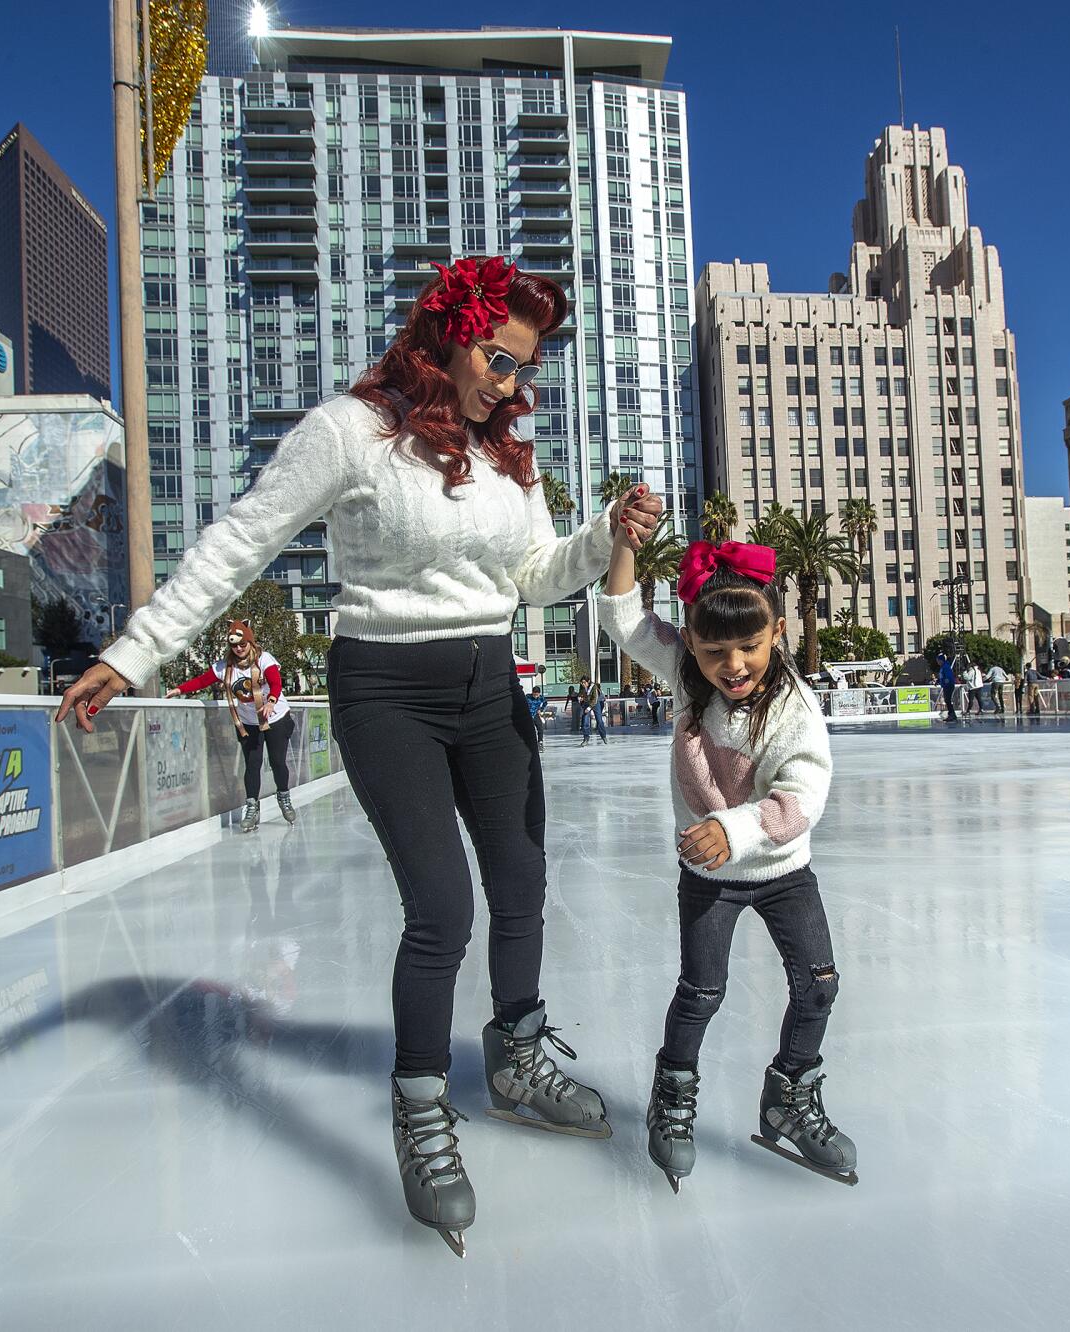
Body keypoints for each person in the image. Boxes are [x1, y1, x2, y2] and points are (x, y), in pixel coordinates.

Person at [54, 255, 664, 1257]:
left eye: (523, 369)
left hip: (486, 685)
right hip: (386, 690)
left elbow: (534, 578)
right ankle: (421, 1109)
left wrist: (603, 537)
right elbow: (237, 542)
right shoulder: (352, 430)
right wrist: (132, 653)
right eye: (498, 360)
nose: (510, 386)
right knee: (442, 907)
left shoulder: (511, 456)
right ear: (445, 334)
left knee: (519, 880)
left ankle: (514, 1060)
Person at [598, 536, 855, 1192]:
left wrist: (733, 829)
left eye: (749, 646)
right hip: (710, 878)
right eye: (714, 651)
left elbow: (801, 797)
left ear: (778, 630)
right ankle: (673, 1096)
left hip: (782, 872)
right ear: (692, 642)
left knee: (819, 983)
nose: (732, 665)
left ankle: (788, 1098)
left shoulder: (794, 707)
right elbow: (626, 620)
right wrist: (625, 545)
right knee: (703, 992)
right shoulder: (686, 672)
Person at [166, 619, 294, 832]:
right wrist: (179, 690)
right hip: (248, 721)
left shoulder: (264, 659)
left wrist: (271, 702)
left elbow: (276, 682)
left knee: (277, 761)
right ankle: (252, 807)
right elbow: (202, 681)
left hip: (275, 717)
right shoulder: (224, 666)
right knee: (252, 764)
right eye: (234, 645)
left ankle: (284, 797)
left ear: (250, 643)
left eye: (243, 644)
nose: (239, 649)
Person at [936, 649, 959, 722]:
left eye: (938, 661)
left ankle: (952, 715)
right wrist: (939, 681)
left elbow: (948, 677)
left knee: (948, 700)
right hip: (946, 685)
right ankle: (952, 714)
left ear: (941, 660)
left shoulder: (945, 667)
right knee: (947, 700)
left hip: (948, 686)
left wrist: (946, 683)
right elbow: (942, 676)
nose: (937, 662)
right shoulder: (943, 667)